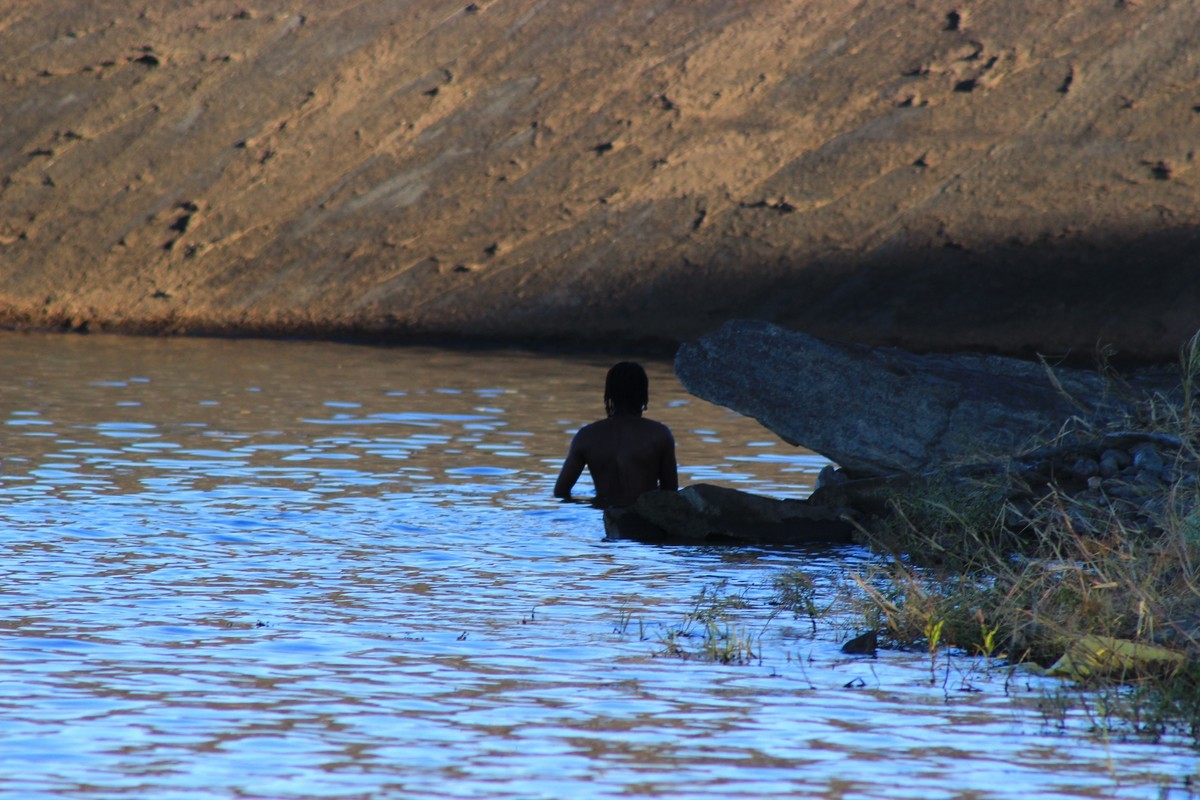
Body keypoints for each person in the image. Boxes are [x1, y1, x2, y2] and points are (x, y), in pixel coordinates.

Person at [554, 361, 678, 507]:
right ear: (643, 394)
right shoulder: (659, 434)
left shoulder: (586, 436)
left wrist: (592, 504)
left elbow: (561, 492)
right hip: (644, 517)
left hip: (606, 519)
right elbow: (670, 491)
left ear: (609, 394)